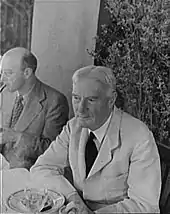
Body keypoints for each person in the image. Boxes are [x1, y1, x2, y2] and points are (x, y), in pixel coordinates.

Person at [30, 65, 161, 213]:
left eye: (91, 100)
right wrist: (73, 198)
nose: (80, 109)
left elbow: (145, 205)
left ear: (111, 100)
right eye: (76, 98)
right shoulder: (74, 127)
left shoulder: (139, 136)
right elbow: (42, 168)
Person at [0, 47, 69, 169]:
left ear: (27, 73)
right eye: (1, 73)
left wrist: (17, 137)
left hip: (28, 175)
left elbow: (53, 150)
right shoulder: (5, 94)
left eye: (8, 73)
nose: (2, 79)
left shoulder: (55, 101)